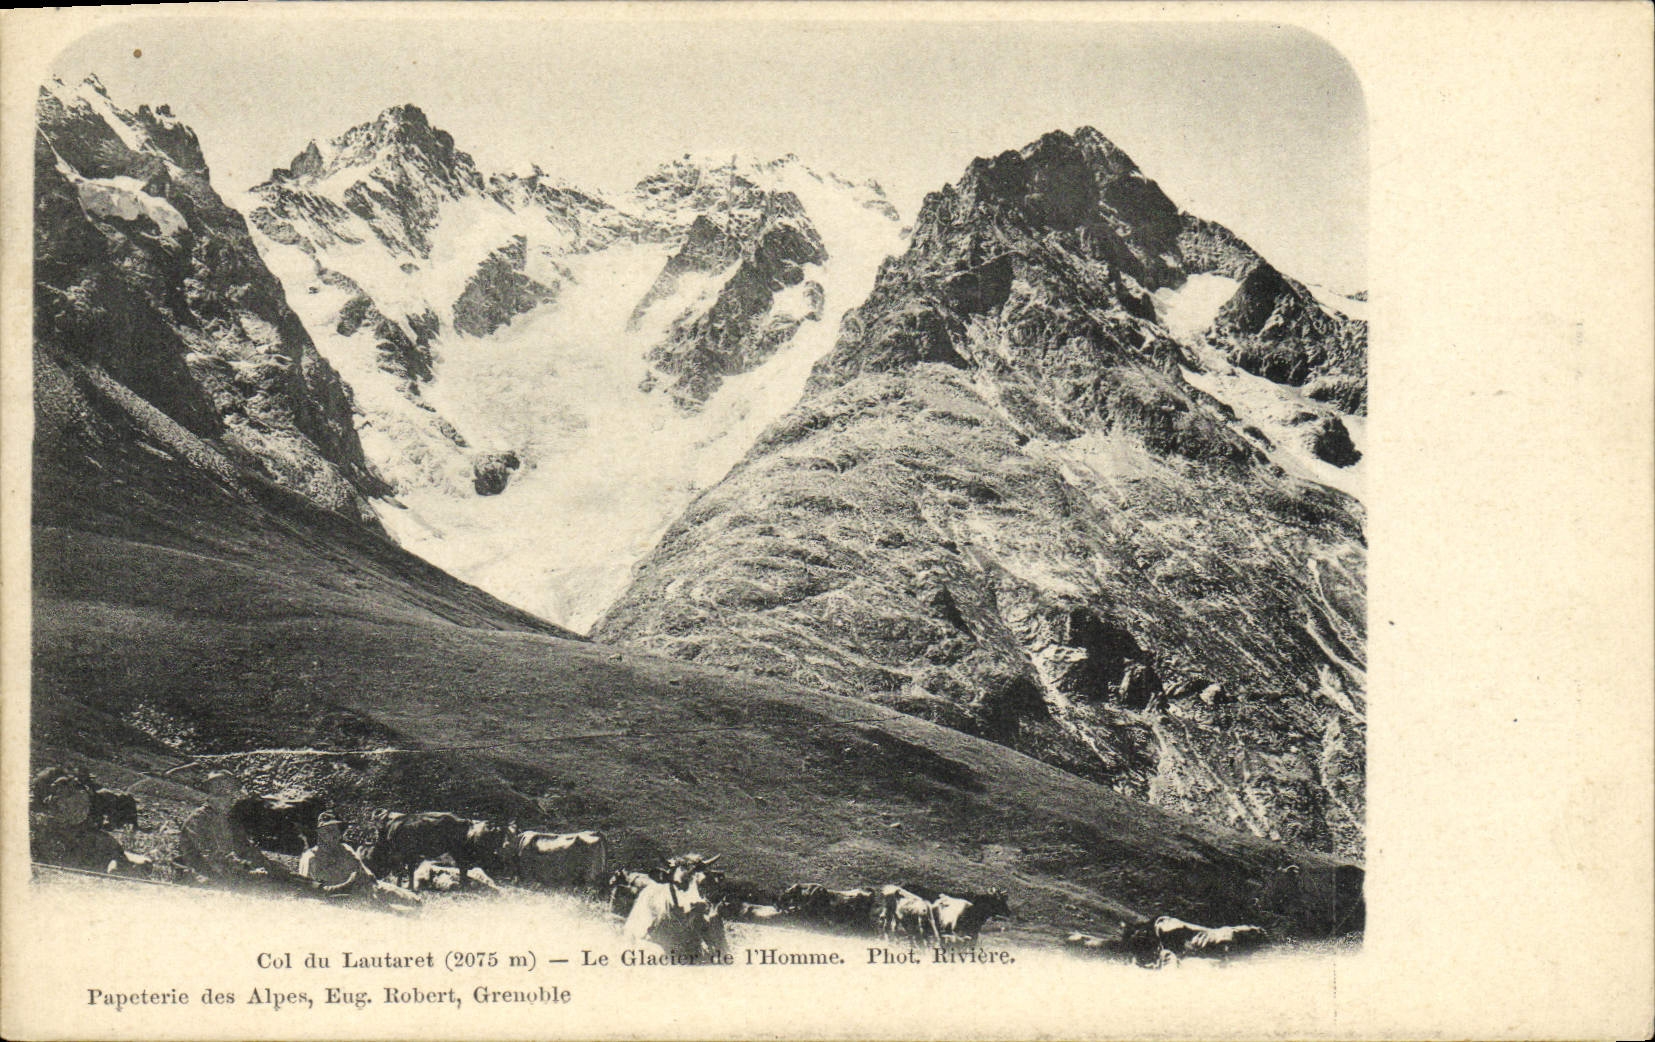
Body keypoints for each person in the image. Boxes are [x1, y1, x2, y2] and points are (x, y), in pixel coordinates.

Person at [174, 771, 294, 888]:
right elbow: (210, 856)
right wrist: (244, 870)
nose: (231, 800)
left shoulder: (230, 821)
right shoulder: (198, 820)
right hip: (199, 878)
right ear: (211, 797)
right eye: (224, 795)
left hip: (225, 875)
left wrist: (269, 866)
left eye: (231, 794)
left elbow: (246, 849)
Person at [298, 812, 418, 908]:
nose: (334, 835)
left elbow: (364, 871)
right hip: (339, 900)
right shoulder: (311, 858)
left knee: (414, 900)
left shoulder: (345, 849)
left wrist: (371, 883)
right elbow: (306, 892)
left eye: (337, 830)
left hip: (365, 889)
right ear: (320, 834)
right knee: (395, 914)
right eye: (328, 831)